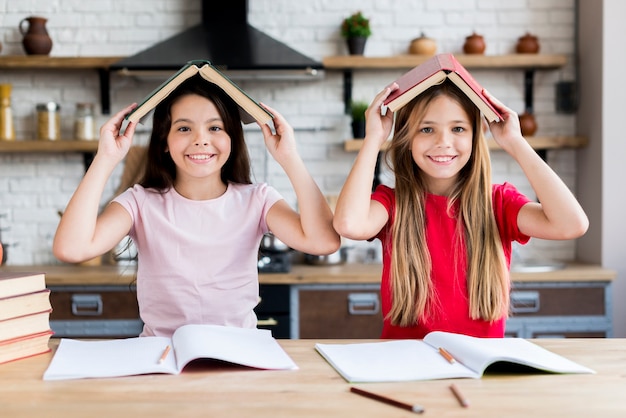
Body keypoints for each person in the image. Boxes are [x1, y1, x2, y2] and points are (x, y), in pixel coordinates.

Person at [53, 76, 340, 337]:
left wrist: (289, 157)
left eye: (215, 127)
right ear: (164, 141)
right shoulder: (140, 202)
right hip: (162, 357)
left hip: (238, 353)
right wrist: (105, 158)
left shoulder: (258, 199)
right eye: (184, 128)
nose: (200, 139)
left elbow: (324, 241)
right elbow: (71, 248)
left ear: (232, 139)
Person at [333, 79, 588, 339]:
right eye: (426, 129)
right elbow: (348, 225)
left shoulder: (499, 203)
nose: (444, 142)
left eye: (458, 128)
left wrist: (515, 142)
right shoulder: (393, 203)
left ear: (476, 136)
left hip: (480, 372)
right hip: (406, 369)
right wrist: (373, 139)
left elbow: (572, 224)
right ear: (407, 138)